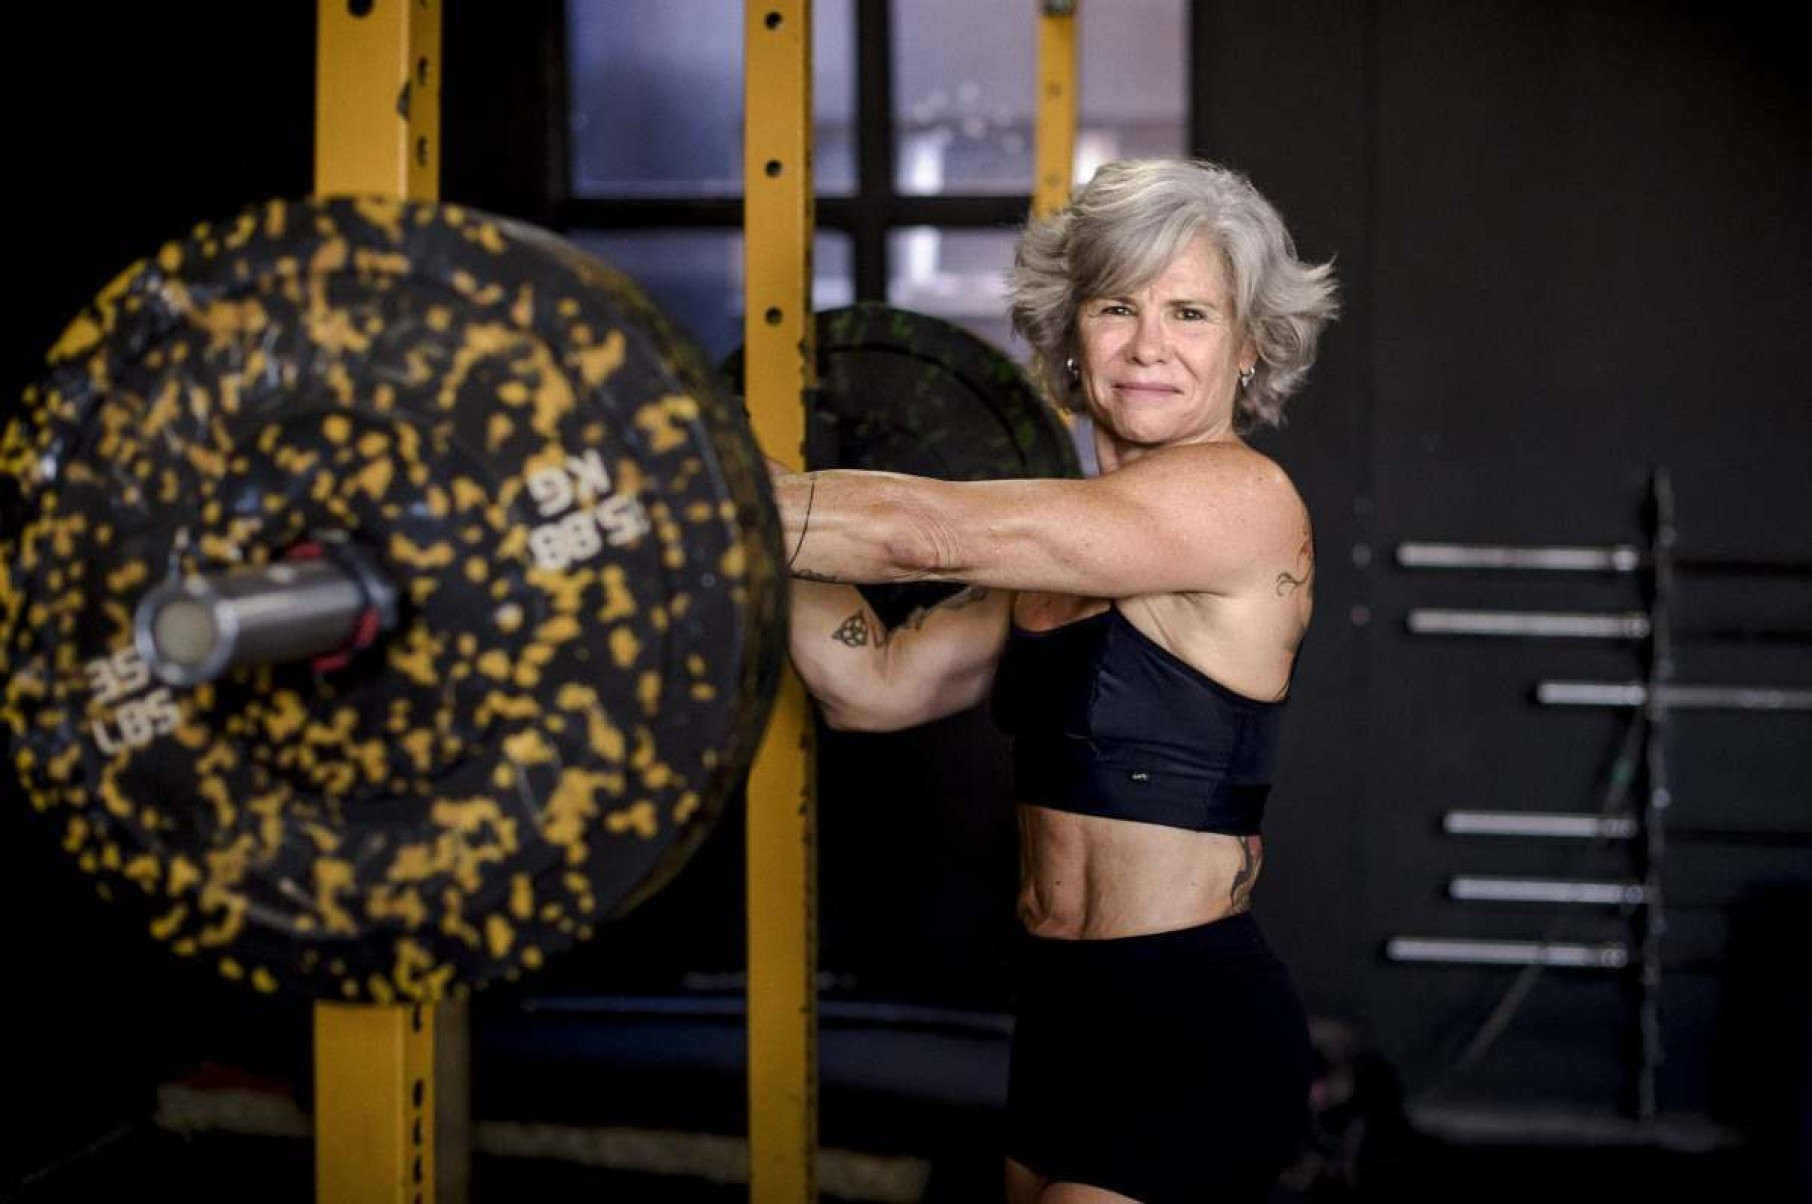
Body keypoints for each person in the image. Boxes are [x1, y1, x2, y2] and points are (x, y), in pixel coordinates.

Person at [767, 157, 1338, 1203]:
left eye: (1191, 313)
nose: (1149, 346)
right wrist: (746, 523)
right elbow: (872, 685)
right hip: (1060, 1015)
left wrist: (710, 487)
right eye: (1117, 306)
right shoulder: (1057, 557)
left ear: (1249, 344)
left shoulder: (1242, 500)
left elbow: (921, 535)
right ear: (1071, 331)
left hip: (1189, 1024)